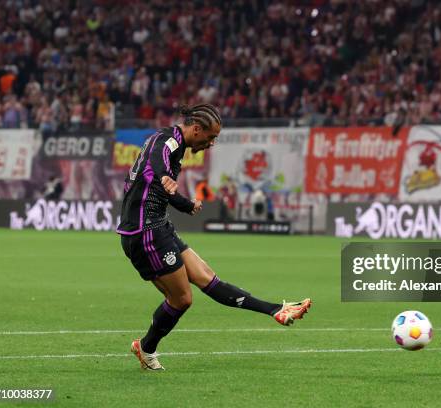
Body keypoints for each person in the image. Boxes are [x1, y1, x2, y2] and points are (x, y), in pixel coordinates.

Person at [116, 103, 311, 371]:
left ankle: (276, 309)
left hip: (159, 225)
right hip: (143, 232)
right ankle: (146, 348)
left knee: (208, 278)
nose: (211, 143)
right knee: (182, 299)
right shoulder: (167, 141)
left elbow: (159, 184)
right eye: (210, 137)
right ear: (196, 129)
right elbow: (156, 161)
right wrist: (166, 180)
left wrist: (184, 203)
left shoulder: (175, 144)